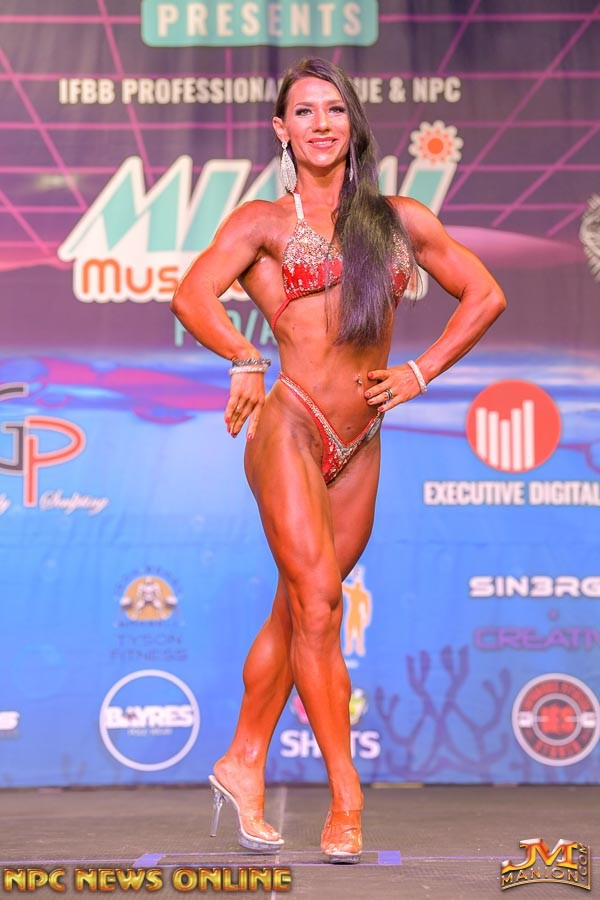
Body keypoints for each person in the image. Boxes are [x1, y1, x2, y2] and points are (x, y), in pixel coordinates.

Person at [171, 57, 505, 864]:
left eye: (333, 110)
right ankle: (347, 798)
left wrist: (421, 371)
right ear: (281, 130)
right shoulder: (262, 222)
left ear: (352, 124)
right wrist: (243, 357)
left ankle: (241, 761)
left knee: (298, 612)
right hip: (289, 424)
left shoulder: (399, 219)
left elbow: (485, 294)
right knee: (319, 606)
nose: (320, 124)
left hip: (360, 443)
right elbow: (191, 295)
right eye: (303, 112)